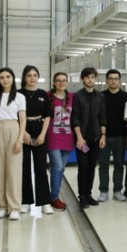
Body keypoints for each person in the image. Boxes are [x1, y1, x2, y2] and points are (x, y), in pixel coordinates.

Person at [0, 67, 27, 221]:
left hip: (13, 128)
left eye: (8, 77)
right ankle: (2, 206)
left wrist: (19, 139)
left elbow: (22, 119)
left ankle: (14, 207)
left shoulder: (19, 97)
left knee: (14, 170)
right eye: (2, 77)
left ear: (12, 78)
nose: (5, 80)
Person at [18, 65, 53, 215]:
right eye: (29, 75)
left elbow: (48, 115)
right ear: (24, 77)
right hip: (23, 131)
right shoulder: (18, 94)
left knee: (41, 168)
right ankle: (25, 201)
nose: (32, 78)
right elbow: (15, 115)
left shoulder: (43, 94)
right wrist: (23, 133)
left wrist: (43, 134)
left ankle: (44, 202)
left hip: (39, 130)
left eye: (34, 75)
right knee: (24, 168)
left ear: (38, 77)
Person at [71, 67, 107, 209]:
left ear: (95, 79)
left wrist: (103, 136)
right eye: (87, 77)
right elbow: (75, 118)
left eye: (92, 77)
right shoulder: (77, 96)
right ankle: (82, 196)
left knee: (92, 167)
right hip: (83, 139)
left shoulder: (100, 97)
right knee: (83, 167)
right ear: (82, 79)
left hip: (96, 138)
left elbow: (102, 117)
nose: (90, 80)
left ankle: (89, 194)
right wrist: (79, 138)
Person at [98, 69, 127, 202]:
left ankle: (117, 190)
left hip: (120, 136)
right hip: (104, 136)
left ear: (120, 81)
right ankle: (103, 191)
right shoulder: (100, 96)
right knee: (103, 165)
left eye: (116, 79)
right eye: (110, 79)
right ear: (106, 81)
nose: (113, 81)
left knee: (119, 165)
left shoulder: (126, 97)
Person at [47, 72, 74, 211]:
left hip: (68, 138)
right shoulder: (48, 96)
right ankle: (54, 198)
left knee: (60, 168)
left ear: (67, 82)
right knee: (57, 167)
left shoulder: (72, 97)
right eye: (58, 80)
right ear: (53, 82)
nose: (61, 83)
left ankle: (53, 195)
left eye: (64, 80)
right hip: (53, 137)